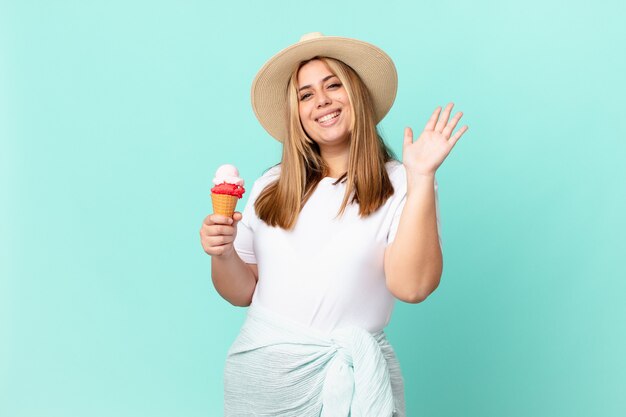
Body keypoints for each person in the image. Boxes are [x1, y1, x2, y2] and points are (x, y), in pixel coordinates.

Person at [199, 32, 468, 416]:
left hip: (356, 381)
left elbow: (412, 286)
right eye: (306, 94)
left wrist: (422, 176)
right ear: (297, 113)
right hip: (262, 382)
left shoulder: (402, 182)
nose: (321, 100)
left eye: (333, 85)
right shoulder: (270, 185)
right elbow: (241, 291)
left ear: (356, 94)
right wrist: (222, 252)